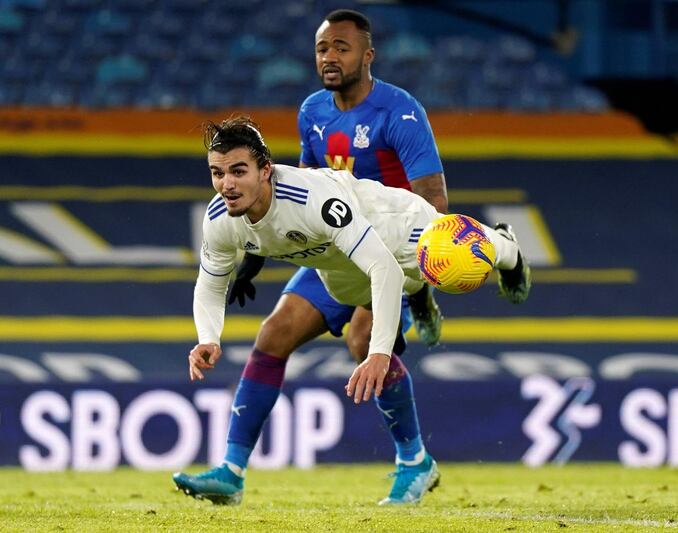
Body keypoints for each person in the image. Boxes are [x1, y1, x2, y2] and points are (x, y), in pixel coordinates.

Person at [172, 116, 530, 506]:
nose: (226, 184)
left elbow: (385, 269)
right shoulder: (220, 218)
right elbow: (209, 284)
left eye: (238, 171)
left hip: (395, 235)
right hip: (335, 268)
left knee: (442, 270)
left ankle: (506, 249)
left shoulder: (314, 202)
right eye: (217, 173)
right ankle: (231, 473)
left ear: (265, 171)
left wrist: (379, 355)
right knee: (273, 336)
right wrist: (208, 338)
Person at [227, 9, 448, 369]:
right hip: (336, 247)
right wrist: (253, 257)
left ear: (367, 56)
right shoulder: (312, 112)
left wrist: (422, 268)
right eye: (322, 48)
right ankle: (239, 429)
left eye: (341, 48)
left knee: (363, 343)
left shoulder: (400, 111)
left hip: (392, 246)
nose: (329, 57)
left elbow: (434, 201)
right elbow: (296, 194)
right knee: (272, 335)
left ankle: (420, 295)